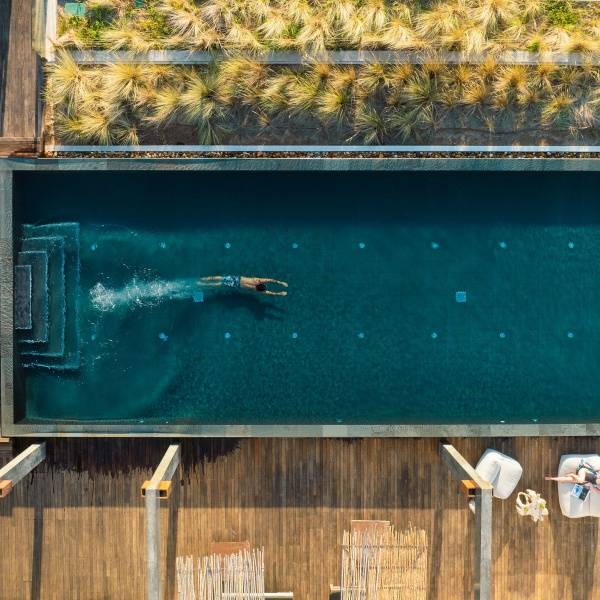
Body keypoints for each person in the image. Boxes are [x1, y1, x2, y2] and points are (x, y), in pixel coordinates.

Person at [198, 275, 288, 296]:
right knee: (220, 284)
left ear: (261, 283)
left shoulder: (256, 280)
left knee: (220, 278)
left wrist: (281, 283)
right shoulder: (256, 289)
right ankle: (202, 284)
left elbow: (270, 280)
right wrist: (280, 293)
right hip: (236, 285)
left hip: (237, 279)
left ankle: (203, 280)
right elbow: (271, 293)